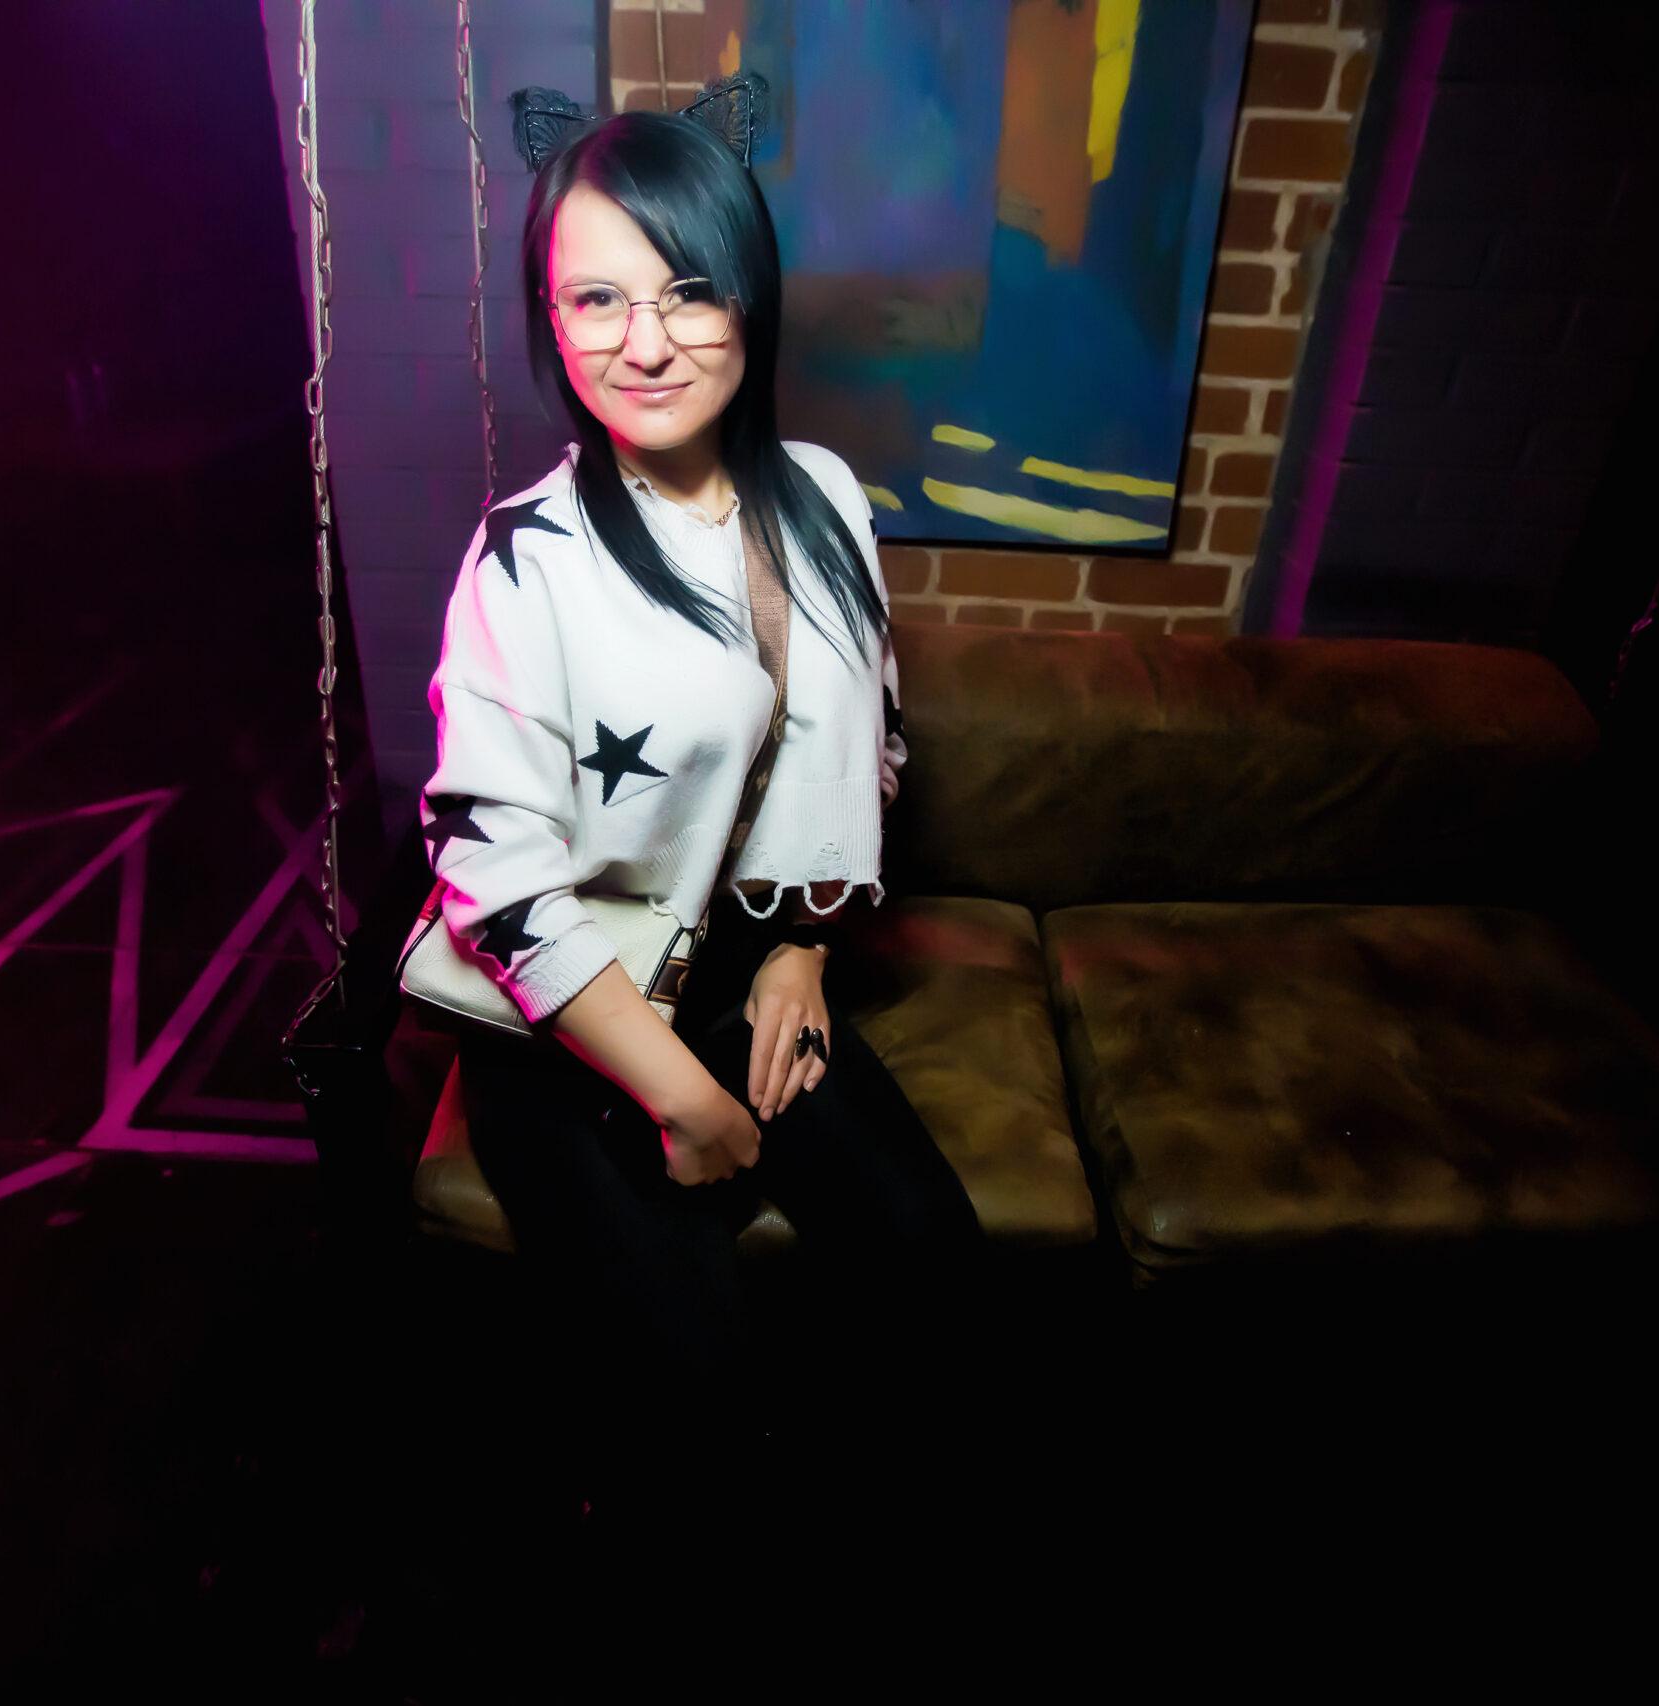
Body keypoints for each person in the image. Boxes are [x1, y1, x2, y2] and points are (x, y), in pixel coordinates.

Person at [414, 76, 993, 1656]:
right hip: (568, 1016)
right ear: (552, 320)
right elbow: (491, 874)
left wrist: (802, 948)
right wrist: (686, 1095)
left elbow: (857, 742)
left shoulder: (825, 501)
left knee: (935, 1271)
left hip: (736, 962)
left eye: (686, 289)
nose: (644, 340)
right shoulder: (525, 555)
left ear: (751, 298)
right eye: (595, 298)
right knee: (700, 1393)